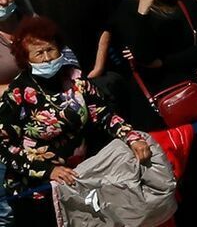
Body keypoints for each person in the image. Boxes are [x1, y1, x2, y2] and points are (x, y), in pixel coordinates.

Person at [0, 15, 153, 227]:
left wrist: (131, 137)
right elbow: (4, 145)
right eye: (39, 53)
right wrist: (47, 170)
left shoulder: (75, 80)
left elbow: (104, 114)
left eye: (50, 50)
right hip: (35, 190)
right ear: (26, 59)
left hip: (78, 179)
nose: (46, 58)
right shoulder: (17, 94)